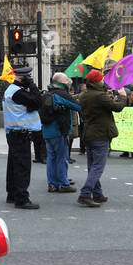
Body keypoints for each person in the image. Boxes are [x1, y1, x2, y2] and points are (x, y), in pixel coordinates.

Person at [78, 69, 125, 206]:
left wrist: (105, 95)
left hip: (88, 133)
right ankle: (85, 193)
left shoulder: (85, 95)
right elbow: (117, 107)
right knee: (98, 166)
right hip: (100, 134)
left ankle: (97, 193)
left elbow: (99, 103)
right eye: (102, 79)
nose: (103, 80)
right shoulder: (99, 96)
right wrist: (122, 96)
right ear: (97, 81)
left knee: (92, 165)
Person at [2, 62, 43, 209]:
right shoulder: (18, 92)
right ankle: (22, 199)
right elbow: (38, 101)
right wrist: (32, 86)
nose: (30, 79)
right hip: (20, 133)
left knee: (13, 165)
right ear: (22, 78)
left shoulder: (11, 90)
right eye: (28, 77)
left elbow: (32, 104)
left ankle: (12, 194)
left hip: (13, 132)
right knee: (22, 166)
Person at [42, 73, 82, 193]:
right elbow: (77, 106)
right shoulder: (62, 94)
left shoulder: (47, 93)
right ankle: (63, 184)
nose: (68, 82)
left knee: (51, 158)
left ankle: (52, 183)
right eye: (66, 80)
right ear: (62, 82)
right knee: (61, 158)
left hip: (47, 131)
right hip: (59, 130)